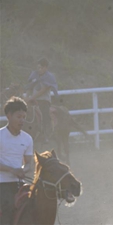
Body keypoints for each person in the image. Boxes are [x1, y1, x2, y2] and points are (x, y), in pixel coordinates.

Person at [0, 97, 34, 225]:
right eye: (19, 117)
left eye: (24, 117)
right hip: (2, 183)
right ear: (9, 116)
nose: (22, 120)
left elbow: (29, 163)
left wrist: (22, 170)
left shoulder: (27, 139)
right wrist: (12, 170)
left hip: (20, 183)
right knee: (8, 208)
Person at [25, 58, 58, 143]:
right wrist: (27, 96)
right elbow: (30, 87)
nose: (39, 69)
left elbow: (44, 89)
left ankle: (45, 134)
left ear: (46, 68)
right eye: (38, 67)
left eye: (41, 68)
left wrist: (32, 97)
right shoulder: (34, 75)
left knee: (44, 114)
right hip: (33, 100)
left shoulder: (49, 77)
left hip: (44, 100)